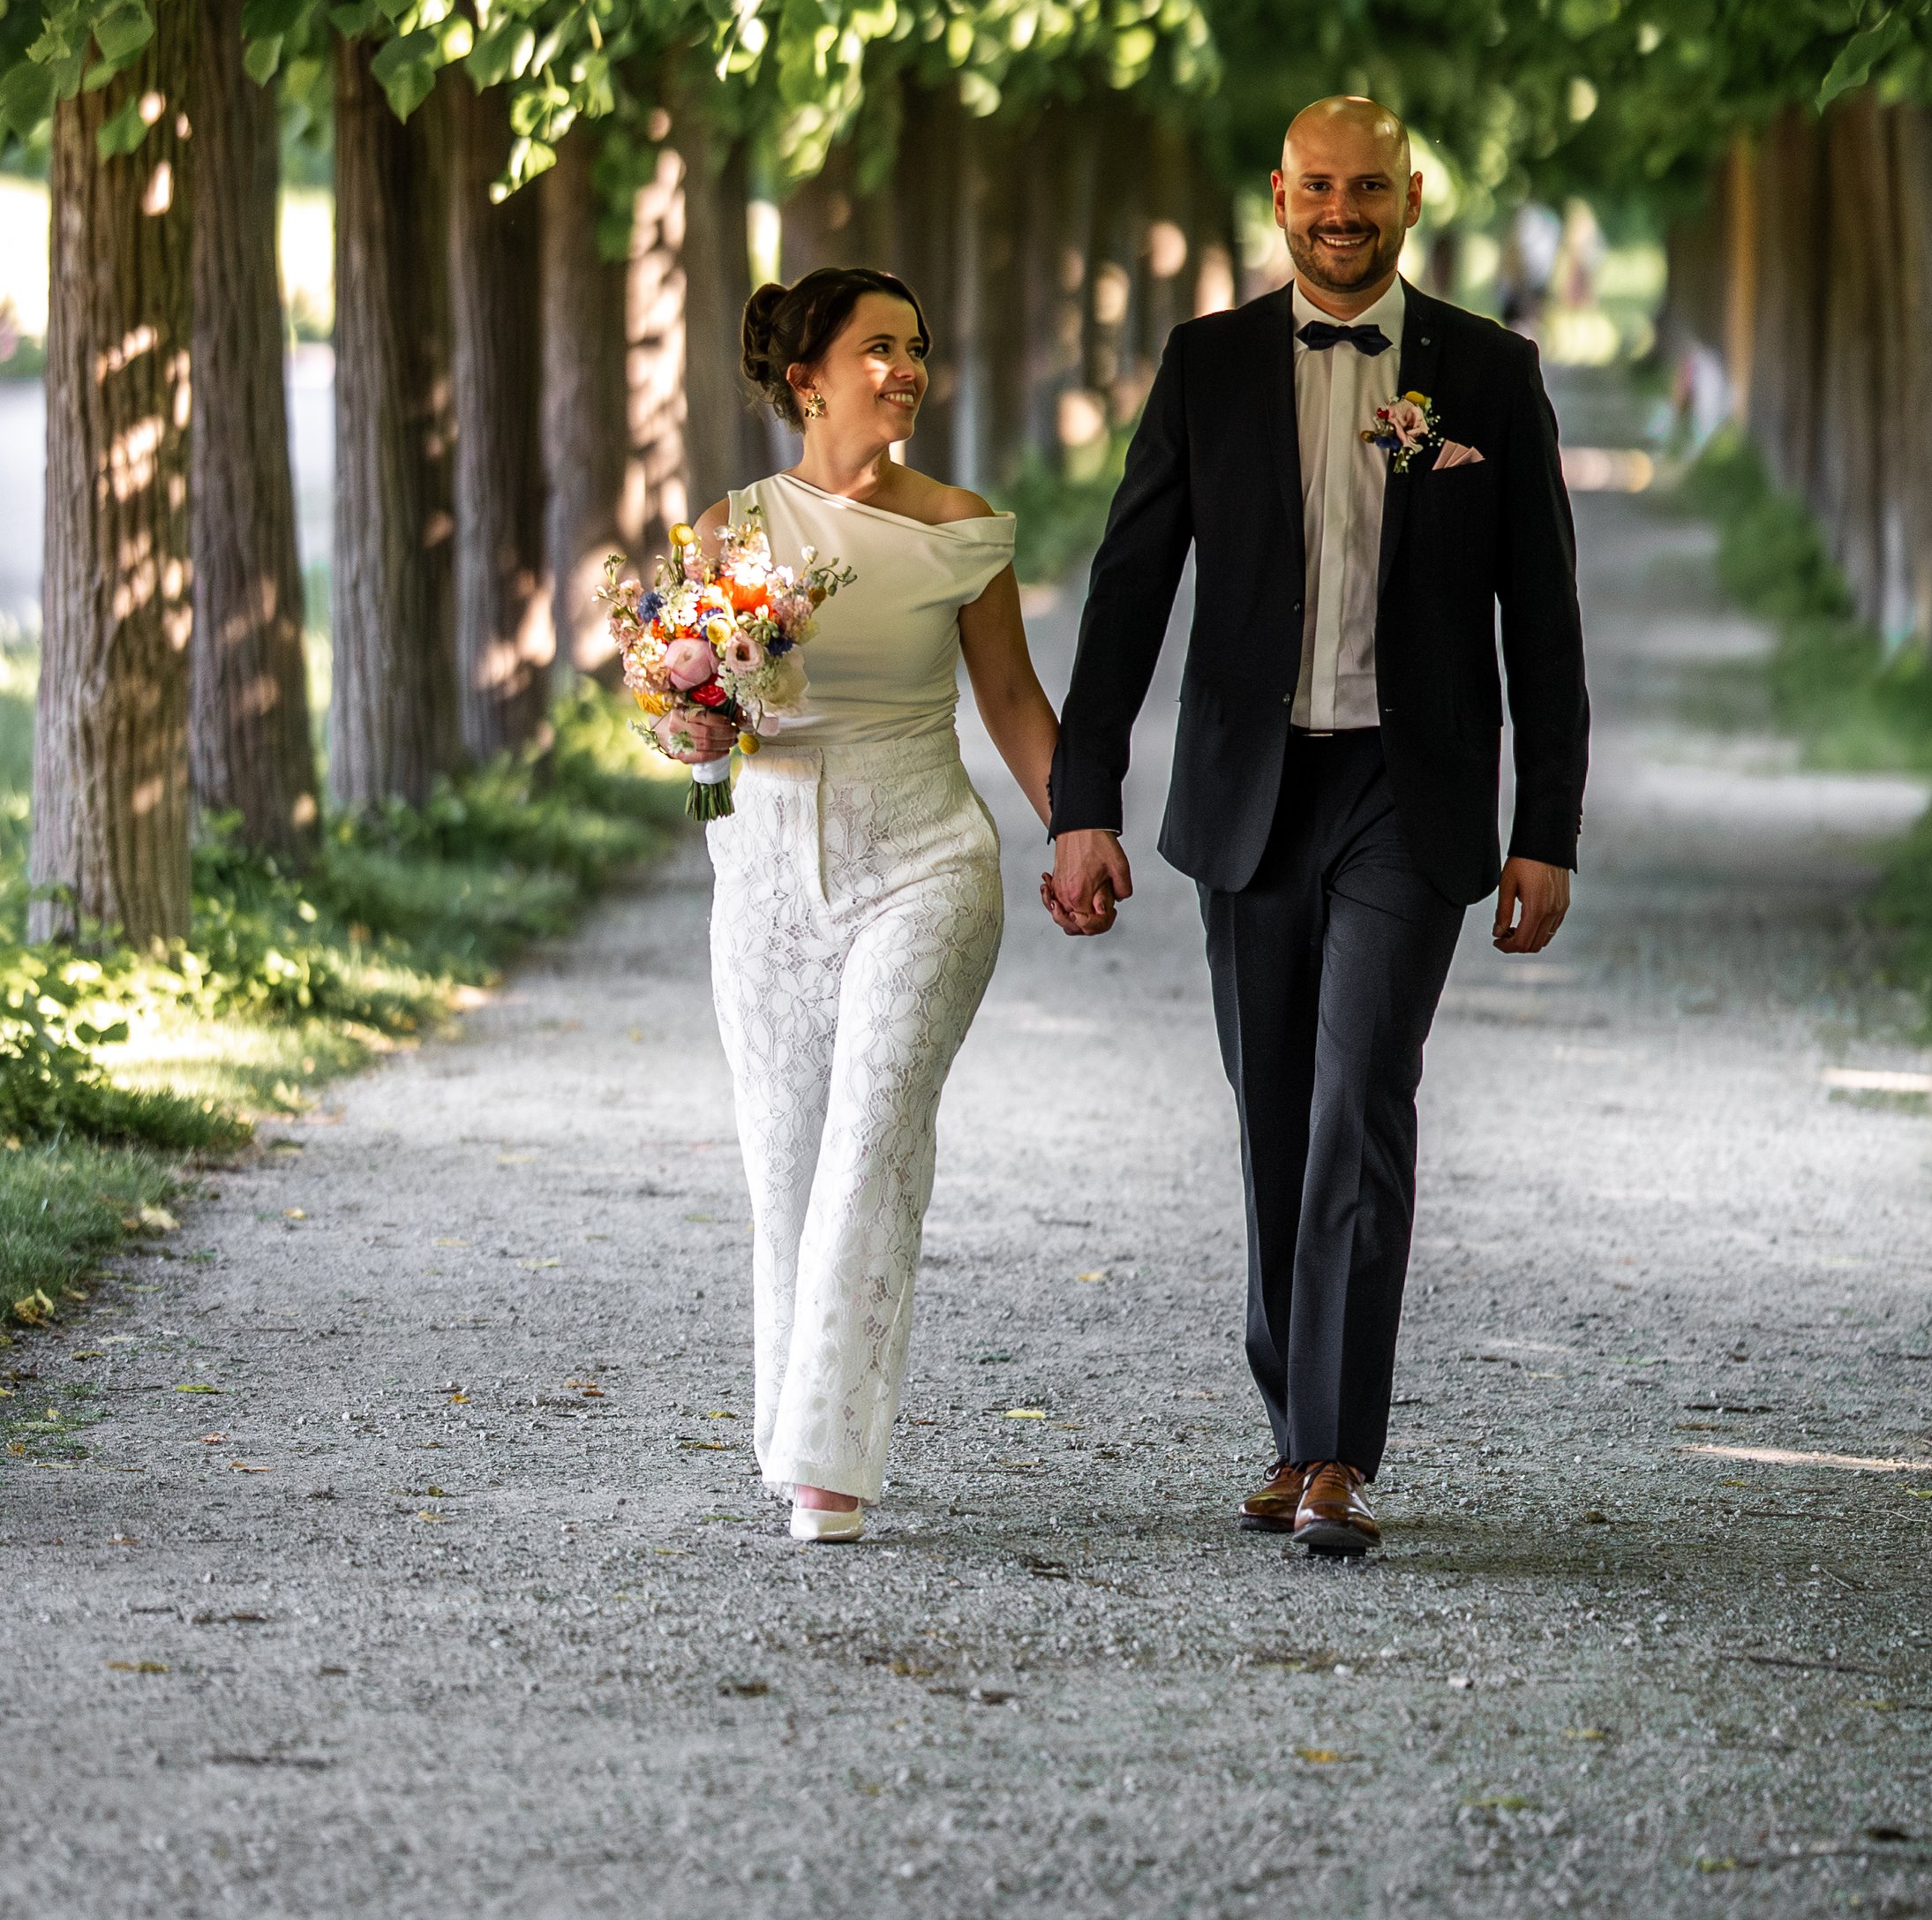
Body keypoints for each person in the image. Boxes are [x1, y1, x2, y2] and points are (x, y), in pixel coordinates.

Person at [1044, 96, 1589, 1561]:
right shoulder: (1207, 365)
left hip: (1406, 802)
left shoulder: (1490, 369)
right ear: (1279, 195)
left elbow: (1541, 618)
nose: (1342, 212)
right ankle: (1295, 1429)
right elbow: (1128, 590)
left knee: (1362, 1099)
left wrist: (1549, 826)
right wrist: (1080, 802)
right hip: (1251, 792)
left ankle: (1338, 1453)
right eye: (1318, 188)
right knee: (1273, 1113)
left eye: (1369, 189)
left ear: (1412, 197)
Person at [671, 266, 1062, 1544]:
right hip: (769, 875)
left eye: (917, 347)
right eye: (879, 347)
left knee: (873, 1133)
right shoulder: (730, 530)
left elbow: (1009, 702)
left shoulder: (961, 528)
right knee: (783, 1157)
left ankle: (830, 1460)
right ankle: (790, 1414)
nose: (905, 368)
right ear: (808, 379)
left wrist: (1083, 832)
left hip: (926, 861)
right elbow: (691, 721)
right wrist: (689, 720)